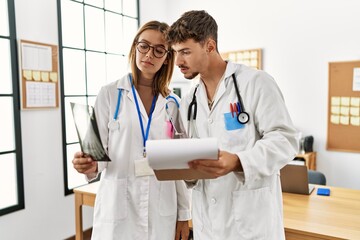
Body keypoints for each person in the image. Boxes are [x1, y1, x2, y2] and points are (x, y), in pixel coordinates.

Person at [166, 10, 299, 240]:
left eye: (185, 52)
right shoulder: (190, 100)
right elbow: (195, 159)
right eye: (176, 52)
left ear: (209, 46)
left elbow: (285, 139)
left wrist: (239, 161)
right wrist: (182, 168)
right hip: (207, 225)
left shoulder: (255, 83)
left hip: (251, 226)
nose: (178, 61)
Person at [72, 21, 191, 240]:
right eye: (144, 45)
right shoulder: (109, 94)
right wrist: (88, 164)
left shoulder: (173, 103)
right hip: (118, 204)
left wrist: (184, 214)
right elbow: (97, 156)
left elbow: (179, 165)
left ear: (167, 58)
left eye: (159, 50)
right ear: (135, 47)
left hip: (161, 204)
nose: (149, 55)